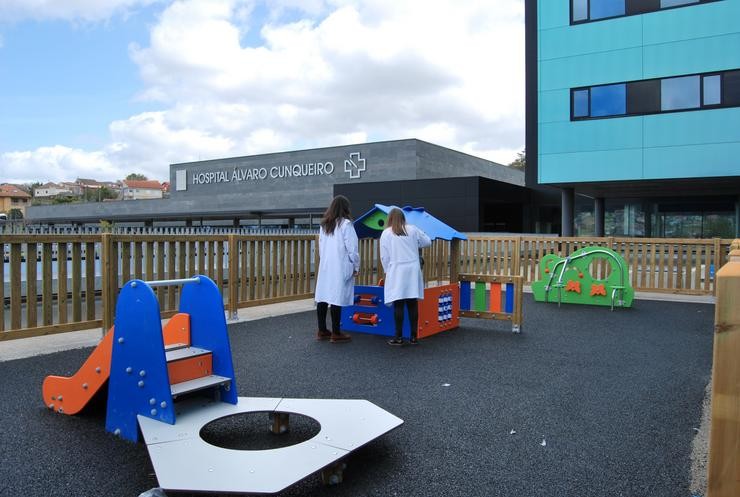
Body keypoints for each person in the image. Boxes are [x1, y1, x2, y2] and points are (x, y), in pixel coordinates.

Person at [380, 208, 431, 345]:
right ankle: (414, 336)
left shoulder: (386, 233)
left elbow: (384, 256)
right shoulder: (413, 229)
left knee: (399, 303)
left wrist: (387, 271)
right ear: (403, 218)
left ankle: (398, 337)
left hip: (396, 269)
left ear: (390, 218)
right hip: (413, 269)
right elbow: (427, 242)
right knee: (412, 303)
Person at [314, 195, 359, 343]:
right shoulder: (346, 224)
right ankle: (336, 332)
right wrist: (355, 265)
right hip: (340, 265)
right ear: (345, 208)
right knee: (336, 297)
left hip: (326, 264)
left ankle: (322, 330)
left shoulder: (324, 225)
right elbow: (352, 249)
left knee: (323, 296)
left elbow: (320, 247)